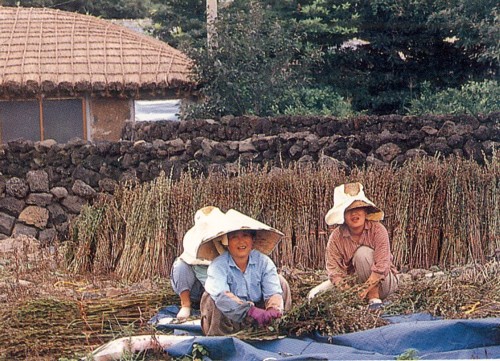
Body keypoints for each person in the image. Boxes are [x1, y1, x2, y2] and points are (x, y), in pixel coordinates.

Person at [199, 209, 292, 336]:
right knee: (212, 297)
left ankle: (277, 328)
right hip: (230, 320)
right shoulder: (218, 266)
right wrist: (250, 311)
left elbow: (273, 292)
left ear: (253, 239)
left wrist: (272, 310)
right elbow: (222, 297)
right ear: (227, 243)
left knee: (281, 282)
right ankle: (221, 342)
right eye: (234, 237)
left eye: (245, 236)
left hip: (258, 319)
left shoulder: (263, 262)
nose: (241, 242)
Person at [307, 182, 398, 309]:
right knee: (315, 295)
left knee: (362, 253)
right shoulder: (336, 238)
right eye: (349, 210)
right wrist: (349, 292)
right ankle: (359, 302)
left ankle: (374, 300)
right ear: (342, 215)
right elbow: (334, 272)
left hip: (384, 283)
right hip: (354, 284)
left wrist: (365, 289)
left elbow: (382, 267)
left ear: (365, 212)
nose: (354, 214)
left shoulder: (378, 230)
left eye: (358, 209)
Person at [170, 206, 227, 319]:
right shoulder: (194, 247)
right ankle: (185, 305)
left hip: (218, 289)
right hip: (196, 289)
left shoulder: (228, 243)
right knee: (180, 265)